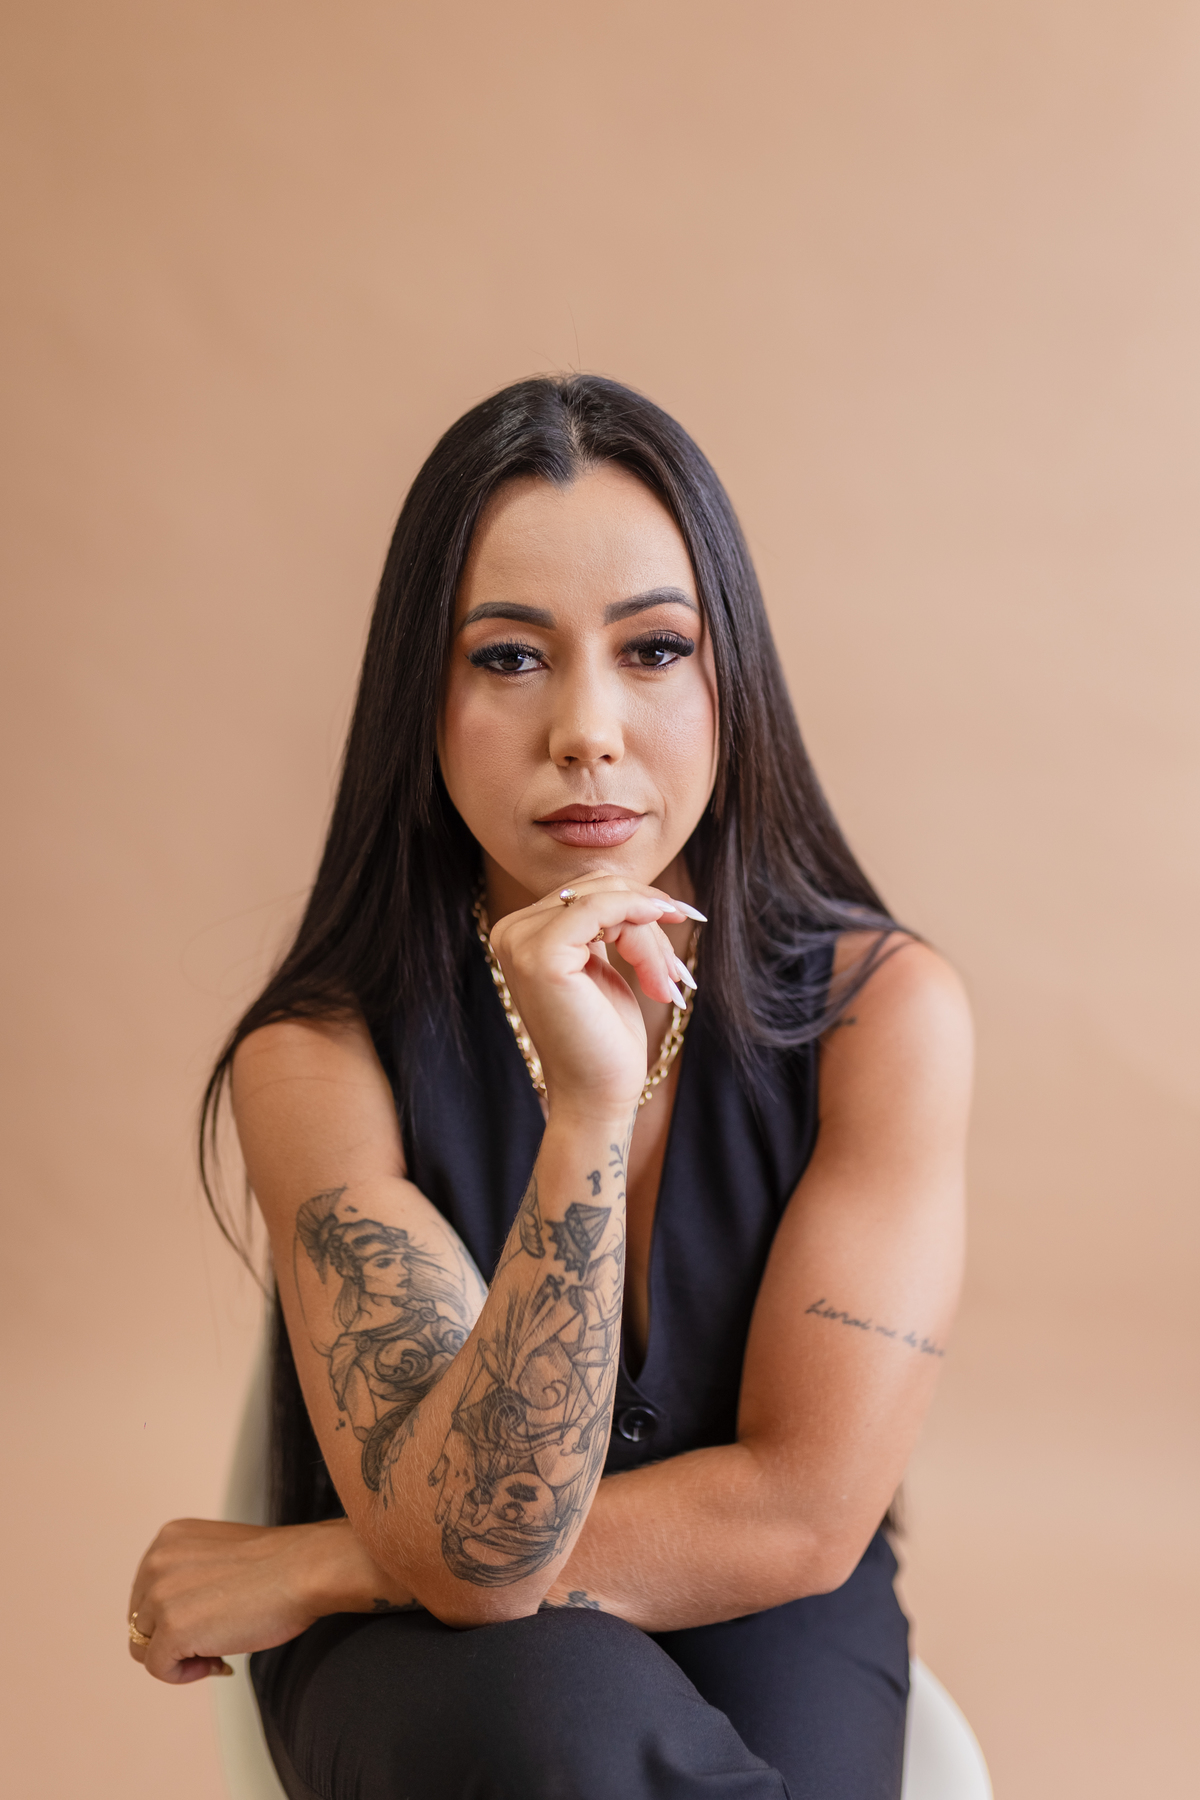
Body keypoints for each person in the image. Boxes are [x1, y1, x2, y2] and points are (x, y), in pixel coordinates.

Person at [127, 375, 971, 1799]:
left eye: (654, 649)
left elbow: (803, 1514)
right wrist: (587, 1114)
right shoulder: (320, 1057)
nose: (587, 728)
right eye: (510, 658)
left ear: (731, 682)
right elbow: (471, 1555)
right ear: (424, 696)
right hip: (437, 1657)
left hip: (761, 1593)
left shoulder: (880, 1012)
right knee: (558, 1732)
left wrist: (322, 1562)